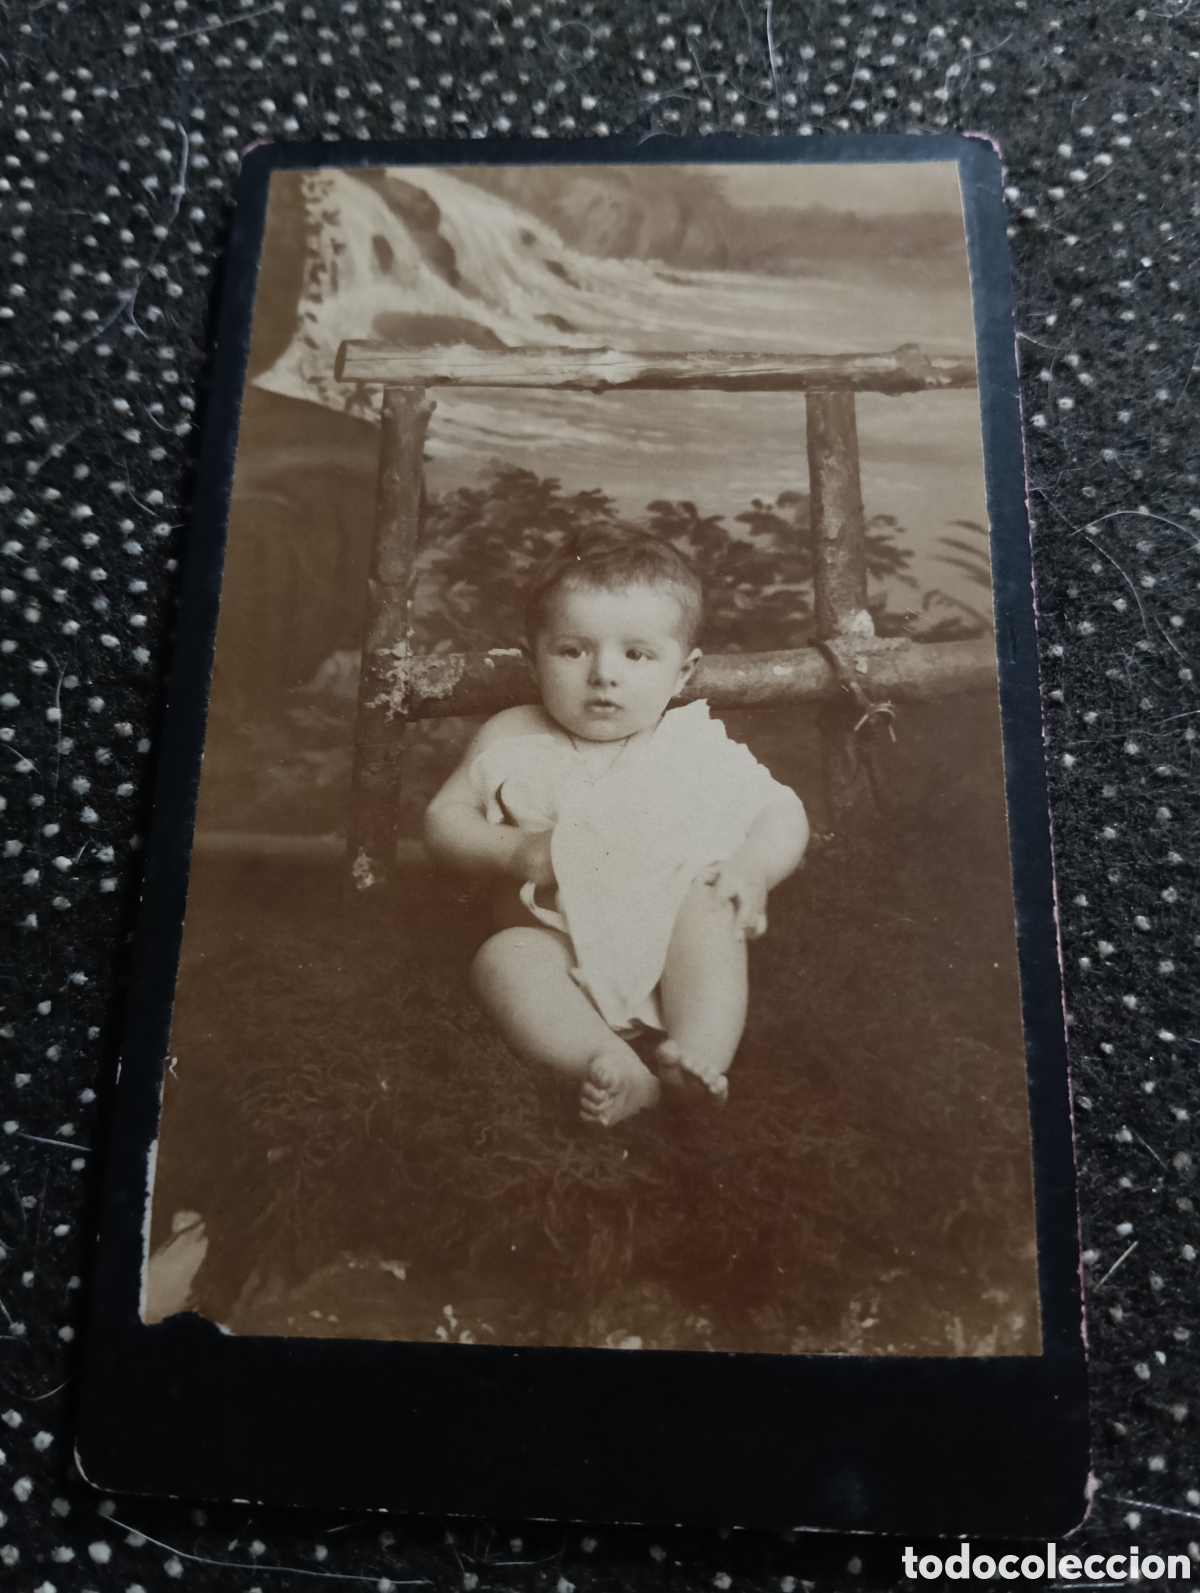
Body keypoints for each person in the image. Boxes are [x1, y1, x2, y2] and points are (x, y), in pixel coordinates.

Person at [425, 529, 810, 1128]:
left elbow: (780, 809)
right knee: (503, 958)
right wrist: (512, 851)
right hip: (557, 944)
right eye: (574, 651)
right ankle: (606, 1060)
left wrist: (753, 865)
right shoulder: (512, 735)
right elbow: (444, 821)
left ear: (683, 672)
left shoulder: (690, 745)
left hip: (666, 942)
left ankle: (697, 1056)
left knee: (710, 908)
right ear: (532, 658)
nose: (603, 674)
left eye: (637, 655)